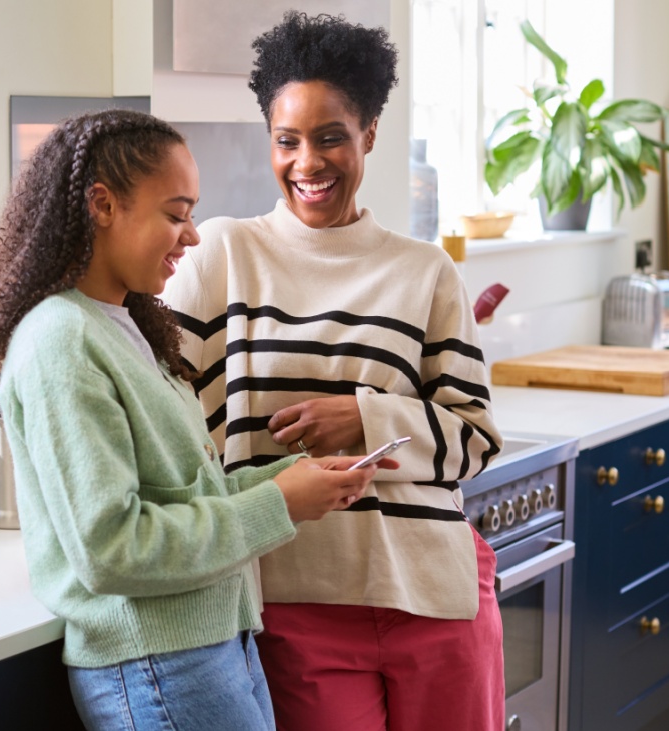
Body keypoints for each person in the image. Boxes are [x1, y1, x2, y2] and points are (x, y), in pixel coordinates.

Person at [0, 108, 393, 731]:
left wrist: (294, 480)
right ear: (102, 204)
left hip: (207, 650)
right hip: (159, 666)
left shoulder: (123, 326)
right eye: (175, 214)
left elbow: (180, 497)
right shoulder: (60, 339)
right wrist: (277, 503)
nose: (192, 236)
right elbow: (113, 550)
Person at [163, 13, 506, 731]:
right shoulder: (220, 257)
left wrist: (366, 417)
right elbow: (162, 418)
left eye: (330, 138)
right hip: (297, 596)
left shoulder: (426, 272)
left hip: (434, 589)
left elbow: (474, 439)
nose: (307, 163)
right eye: (287, 141)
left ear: (370, 134)